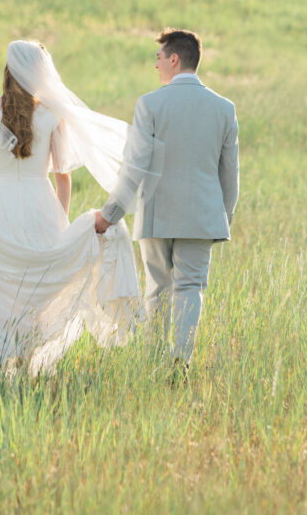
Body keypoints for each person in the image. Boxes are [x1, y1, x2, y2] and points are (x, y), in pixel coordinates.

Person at [0, 40, 145, 374]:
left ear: (7, 69)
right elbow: (63, 176)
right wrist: (60, 220)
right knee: (38, 286)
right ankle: (29, 357)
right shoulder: (50, 117)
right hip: (40, 205)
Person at [94, 29, 238, 371]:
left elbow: (135, 167)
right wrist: (223, 218)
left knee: (158, 289)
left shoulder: (150, 104)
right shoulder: (224, 108)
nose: (156, 65)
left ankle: (153, 363)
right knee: (190, 287)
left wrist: (110, 214)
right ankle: (179, 361)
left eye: (159, 58)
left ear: (174, 59)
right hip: (203, 217)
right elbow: (229, 174)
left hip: (157, 214)